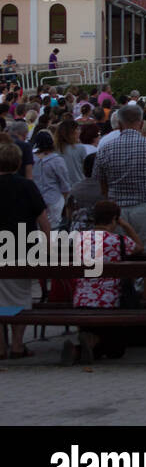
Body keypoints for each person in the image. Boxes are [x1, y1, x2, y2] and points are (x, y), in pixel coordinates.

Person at [93, 104, 146, 300]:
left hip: (117, 212)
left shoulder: (105, 149)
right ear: (141, 123)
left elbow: (101, 184)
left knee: (121, 263)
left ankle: (124, 309)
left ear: (118, 124)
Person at [61, 200, 141, 364]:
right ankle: (91, 343)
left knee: (99, 340)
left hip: (82, 300)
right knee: (116, 351)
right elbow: (139, 247)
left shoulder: (79, 239)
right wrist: (125, 226)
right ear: (114, 219)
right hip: (110, 302)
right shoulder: (119, 241)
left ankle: (81, 348)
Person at [0, 142, 48, 358]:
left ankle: (1, 346)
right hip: (22, 246)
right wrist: (49, 243)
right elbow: (43, 219)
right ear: (19, 162)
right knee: (21, 296)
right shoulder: (27, 186)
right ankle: (18, 344)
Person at [32, 129, 71, 227]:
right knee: (54, 226)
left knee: (37, 227)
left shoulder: (32, 159)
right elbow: (64, 182)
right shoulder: (57, 160)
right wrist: (66, 198)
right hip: (54, 198)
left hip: (36, 198)